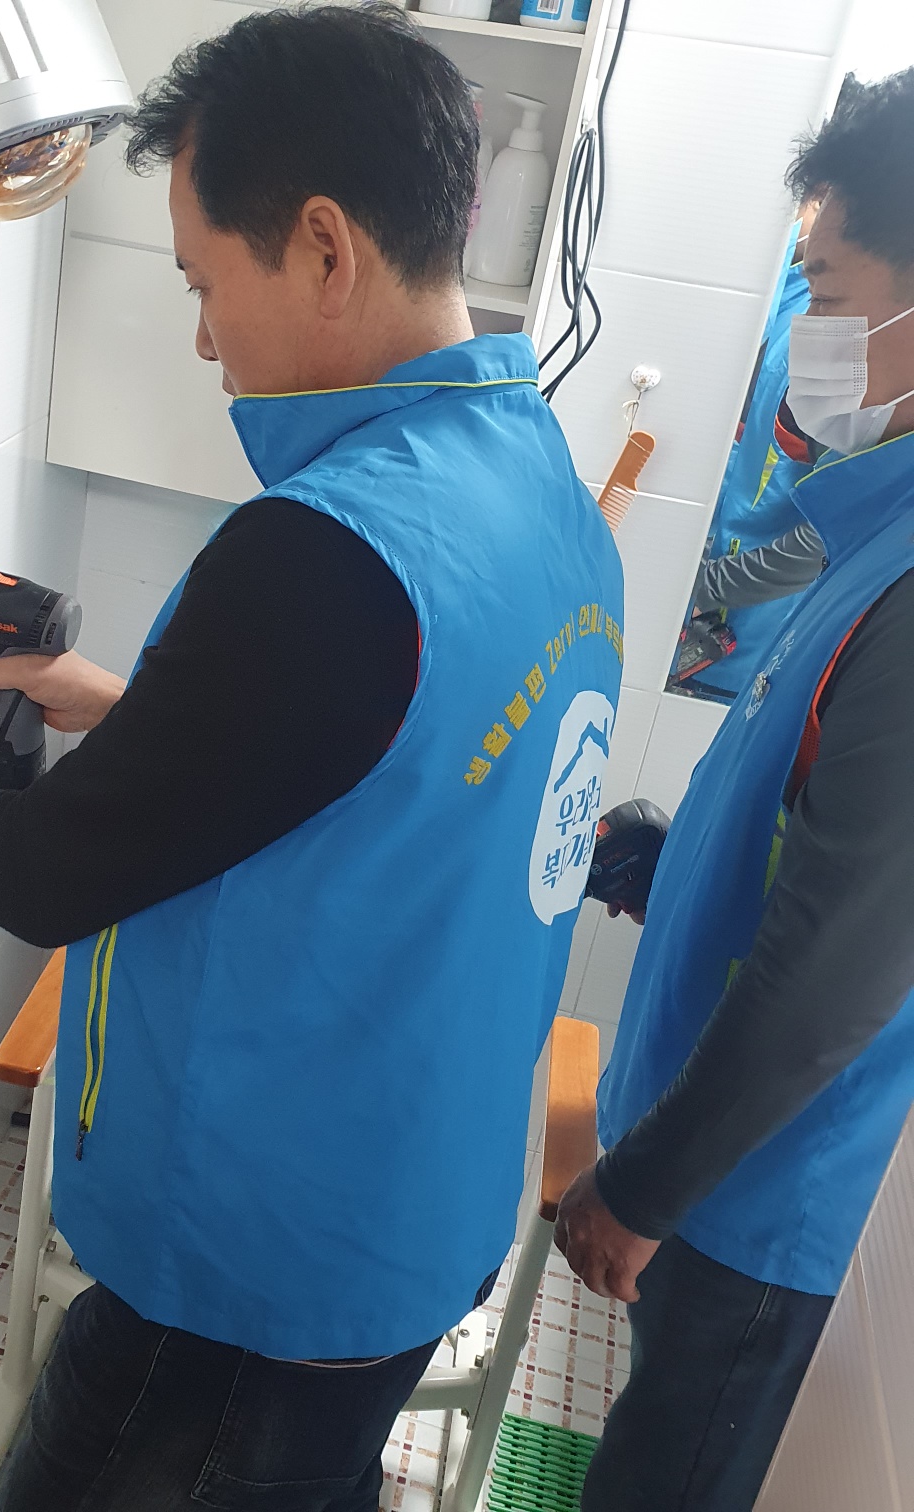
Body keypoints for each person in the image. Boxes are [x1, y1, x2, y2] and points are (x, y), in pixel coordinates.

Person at [0, 6, 622, 1508]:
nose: (202, 334)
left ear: (322, 247)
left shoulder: (326, 550)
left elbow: (54, 876)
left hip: (247, 1278)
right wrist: (132, 709)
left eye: (203, 280)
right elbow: (397, 771)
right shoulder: (532, 472)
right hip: (408, 1213)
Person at [555, 68, 914, 1512]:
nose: (808, 335)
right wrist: (662, 859)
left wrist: (644, 1184)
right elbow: (814, 825)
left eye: (825, 288)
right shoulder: (869, 527)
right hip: (729, 1172)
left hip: (762, 1203)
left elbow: (839, 969)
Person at [673, 207, 819, 699]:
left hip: (744, 647)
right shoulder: (781, 286)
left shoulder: (841, 336)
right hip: (683, 607)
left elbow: (826, 537)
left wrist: (706, 586)